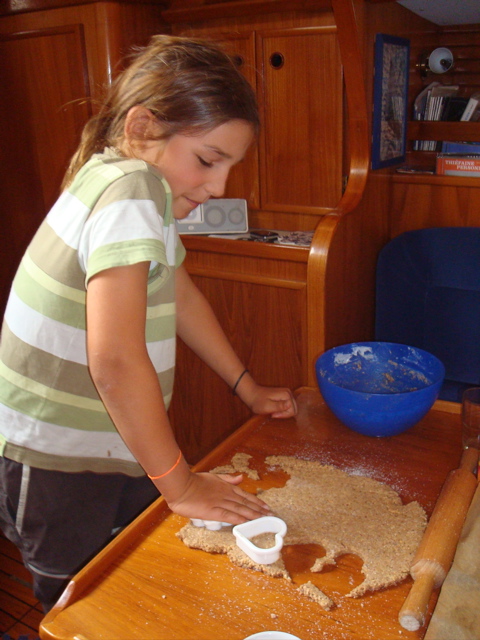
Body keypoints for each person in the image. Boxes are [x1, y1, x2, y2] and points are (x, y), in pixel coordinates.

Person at [0, 35, 297, 612]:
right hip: (61, 456)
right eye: (208, 160)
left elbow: (180, 296)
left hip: (118, 437)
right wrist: (182, 485)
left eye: (230, 166)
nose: (219, 187)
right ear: (141, 128)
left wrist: (247, 387)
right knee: (80, 607)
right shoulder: (133, 188)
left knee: (126, 575)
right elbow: (113, 361)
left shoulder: (129, 183)